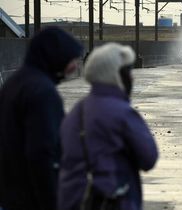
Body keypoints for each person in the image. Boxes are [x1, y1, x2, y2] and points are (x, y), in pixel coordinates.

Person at [58, 43, 158, 210]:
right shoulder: (122, 113)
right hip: (114, 201)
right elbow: (149, 158)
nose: (132, 78)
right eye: (128, 72)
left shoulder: (76, 111)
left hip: (74, 200)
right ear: (116, 75)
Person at [0, 27, 83, 210]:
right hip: (33, 198)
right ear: (55, 57)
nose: (75, 66)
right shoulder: (42, 92)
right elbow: (42, 153)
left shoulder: (15, 82)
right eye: (72, 59)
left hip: (11, 193)